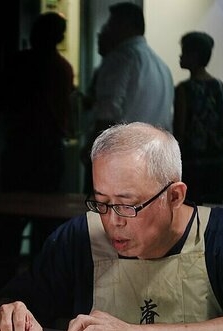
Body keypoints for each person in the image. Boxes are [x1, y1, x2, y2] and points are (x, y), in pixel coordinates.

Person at [0, 122, 223, 331]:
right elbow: (14, 302)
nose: (113, 221)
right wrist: (9, 317)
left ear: (174, 196)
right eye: (101, 202)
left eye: (128, 205)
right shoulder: (80, 238)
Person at [0, 11, 75, 298]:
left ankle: (0, 289)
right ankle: (41, 294)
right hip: (49, 150)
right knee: (45, 227)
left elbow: (2, 99)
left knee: (7, 227)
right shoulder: (62, 68)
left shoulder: (19, 62)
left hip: (19, 146)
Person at [80, 2, 174, 194]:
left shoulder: (120, 59)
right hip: (154, 166)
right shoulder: (162, 66)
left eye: (110, 24)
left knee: (101, 221)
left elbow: (107, 114)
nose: (105, 29)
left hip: (119, 166)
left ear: (126, 26)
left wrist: (92, 151)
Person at [173, 31, 223, 204]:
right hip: (217, 163)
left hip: (192, 164)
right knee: (213, 212)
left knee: (191, 214)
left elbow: (179, 131)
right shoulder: (218, 86)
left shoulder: (184, 90)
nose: (180, 55)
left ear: (195, 56)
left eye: (184, 51)